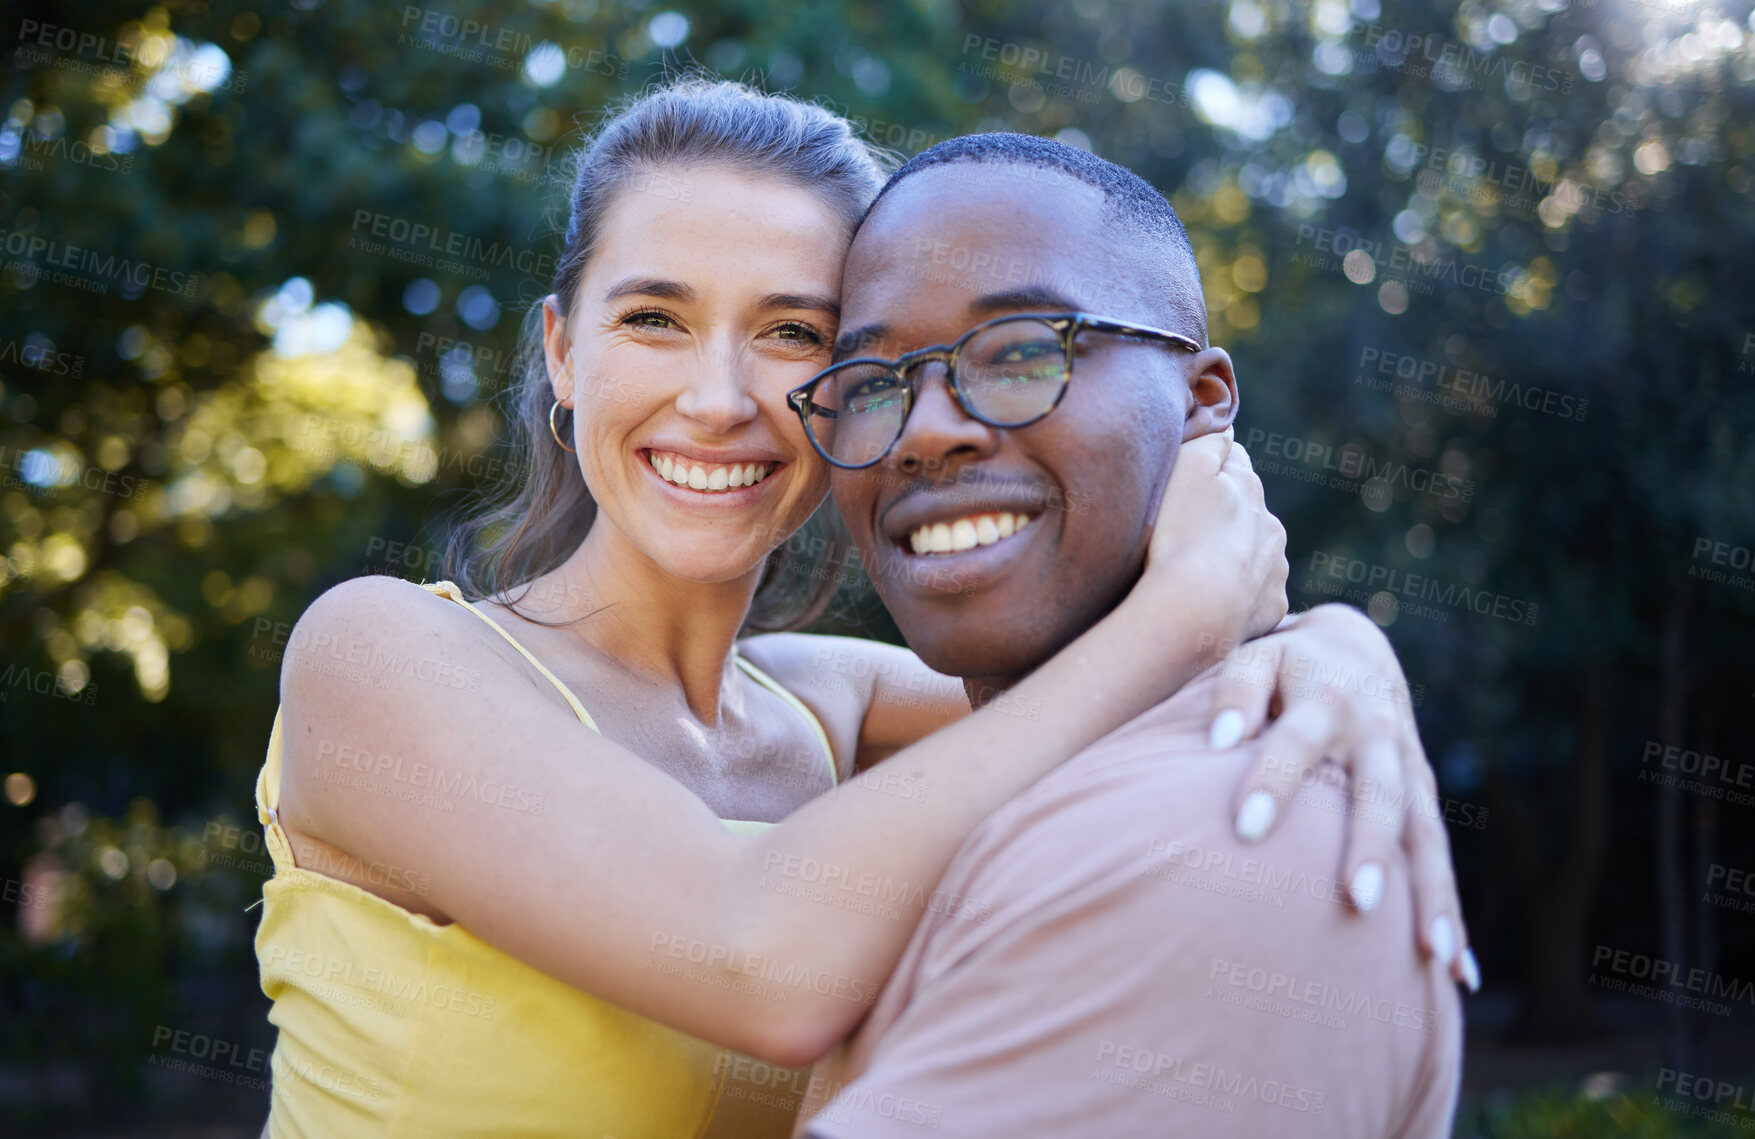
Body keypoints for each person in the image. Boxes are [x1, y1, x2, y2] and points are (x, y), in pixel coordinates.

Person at [254, 80, 1462, 1138]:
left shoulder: (833, 705)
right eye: (654, 318)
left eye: (793, 334)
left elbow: (1113, 686)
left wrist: (1341, 647)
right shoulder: (380, 655)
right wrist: (1192, 608)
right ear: (566, 355)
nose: (721, 398)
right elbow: (759, 957)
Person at [787, 133, 1467, 1138]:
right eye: (872, 384)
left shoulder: (1223, 829)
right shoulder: (1004, 775)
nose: (927, 428)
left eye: (1021, 350)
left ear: (1203, 403)